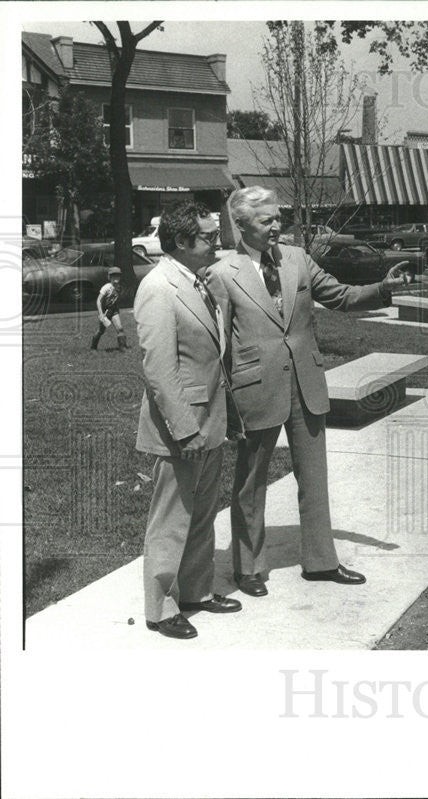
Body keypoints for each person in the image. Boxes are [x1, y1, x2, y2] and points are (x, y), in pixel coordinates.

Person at [206, 186, 412, 598]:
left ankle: (321, 563)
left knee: (314, 477)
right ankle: (247, 568)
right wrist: (225, 404)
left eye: (278, 217)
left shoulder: (297, 258)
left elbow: (340, 295)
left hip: (306, 383)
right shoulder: (222, 274)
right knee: (251, 482)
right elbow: (218, 346)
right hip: (254, 389)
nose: (277, 225)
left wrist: (382, 288)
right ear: (242, 225)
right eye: (267, 220)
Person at [134, 202, 242, 640]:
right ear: (180, 241)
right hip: (181, 429)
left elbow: (212, 358)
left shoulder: (199, 282)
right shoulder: (158, 288)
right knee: (172, 520)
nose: (216, 243)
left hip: (209, 422)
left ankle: (196, 591)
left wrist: (222, 418)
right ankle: (160, 609)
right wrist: (186, 430)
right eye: (208, 237)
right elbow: (159, 370)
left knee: (201, 515)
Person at [91, 267, 127, 351]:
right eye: (113, 276)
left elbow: (116, 298)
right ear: (109, 277)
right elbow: (98, 300)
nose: (116, 278)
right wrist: (101, 313)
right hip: (105, 312)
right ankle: (93, 346)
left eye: (118, 276)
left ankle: (123, 347)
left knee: (120, 328)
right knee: (101, 331)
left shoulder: (119, 287)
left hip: (114, 311)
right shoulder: (107, 287)